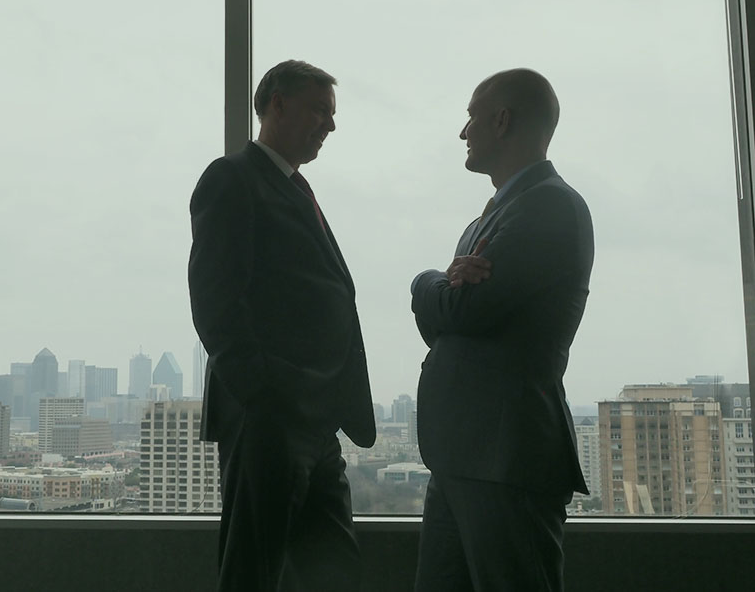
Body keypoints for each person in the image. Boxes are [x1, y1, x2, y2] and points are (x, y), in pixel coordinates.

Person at [188, 59, 376, 591]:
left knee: (333, 568)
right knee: (254, 569)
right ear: (277, 105)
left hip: (313, 420)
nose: (330, 126)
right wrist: (265, 396)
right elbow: (214, 300)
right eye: (320, 110)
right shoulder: (232, 179)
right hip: (270, 418)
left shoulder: (295, 188)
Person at [410, 68, 594, 591]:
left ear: (503, 120)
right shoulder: (489, 219)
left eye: (471, 117)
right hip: (466, 458)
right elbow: (448, 328)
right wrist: (446, 291)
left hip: (506, 460)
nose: (463, 132)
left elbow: (464, 313)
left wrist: (423, 281)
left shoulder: (552, 206)